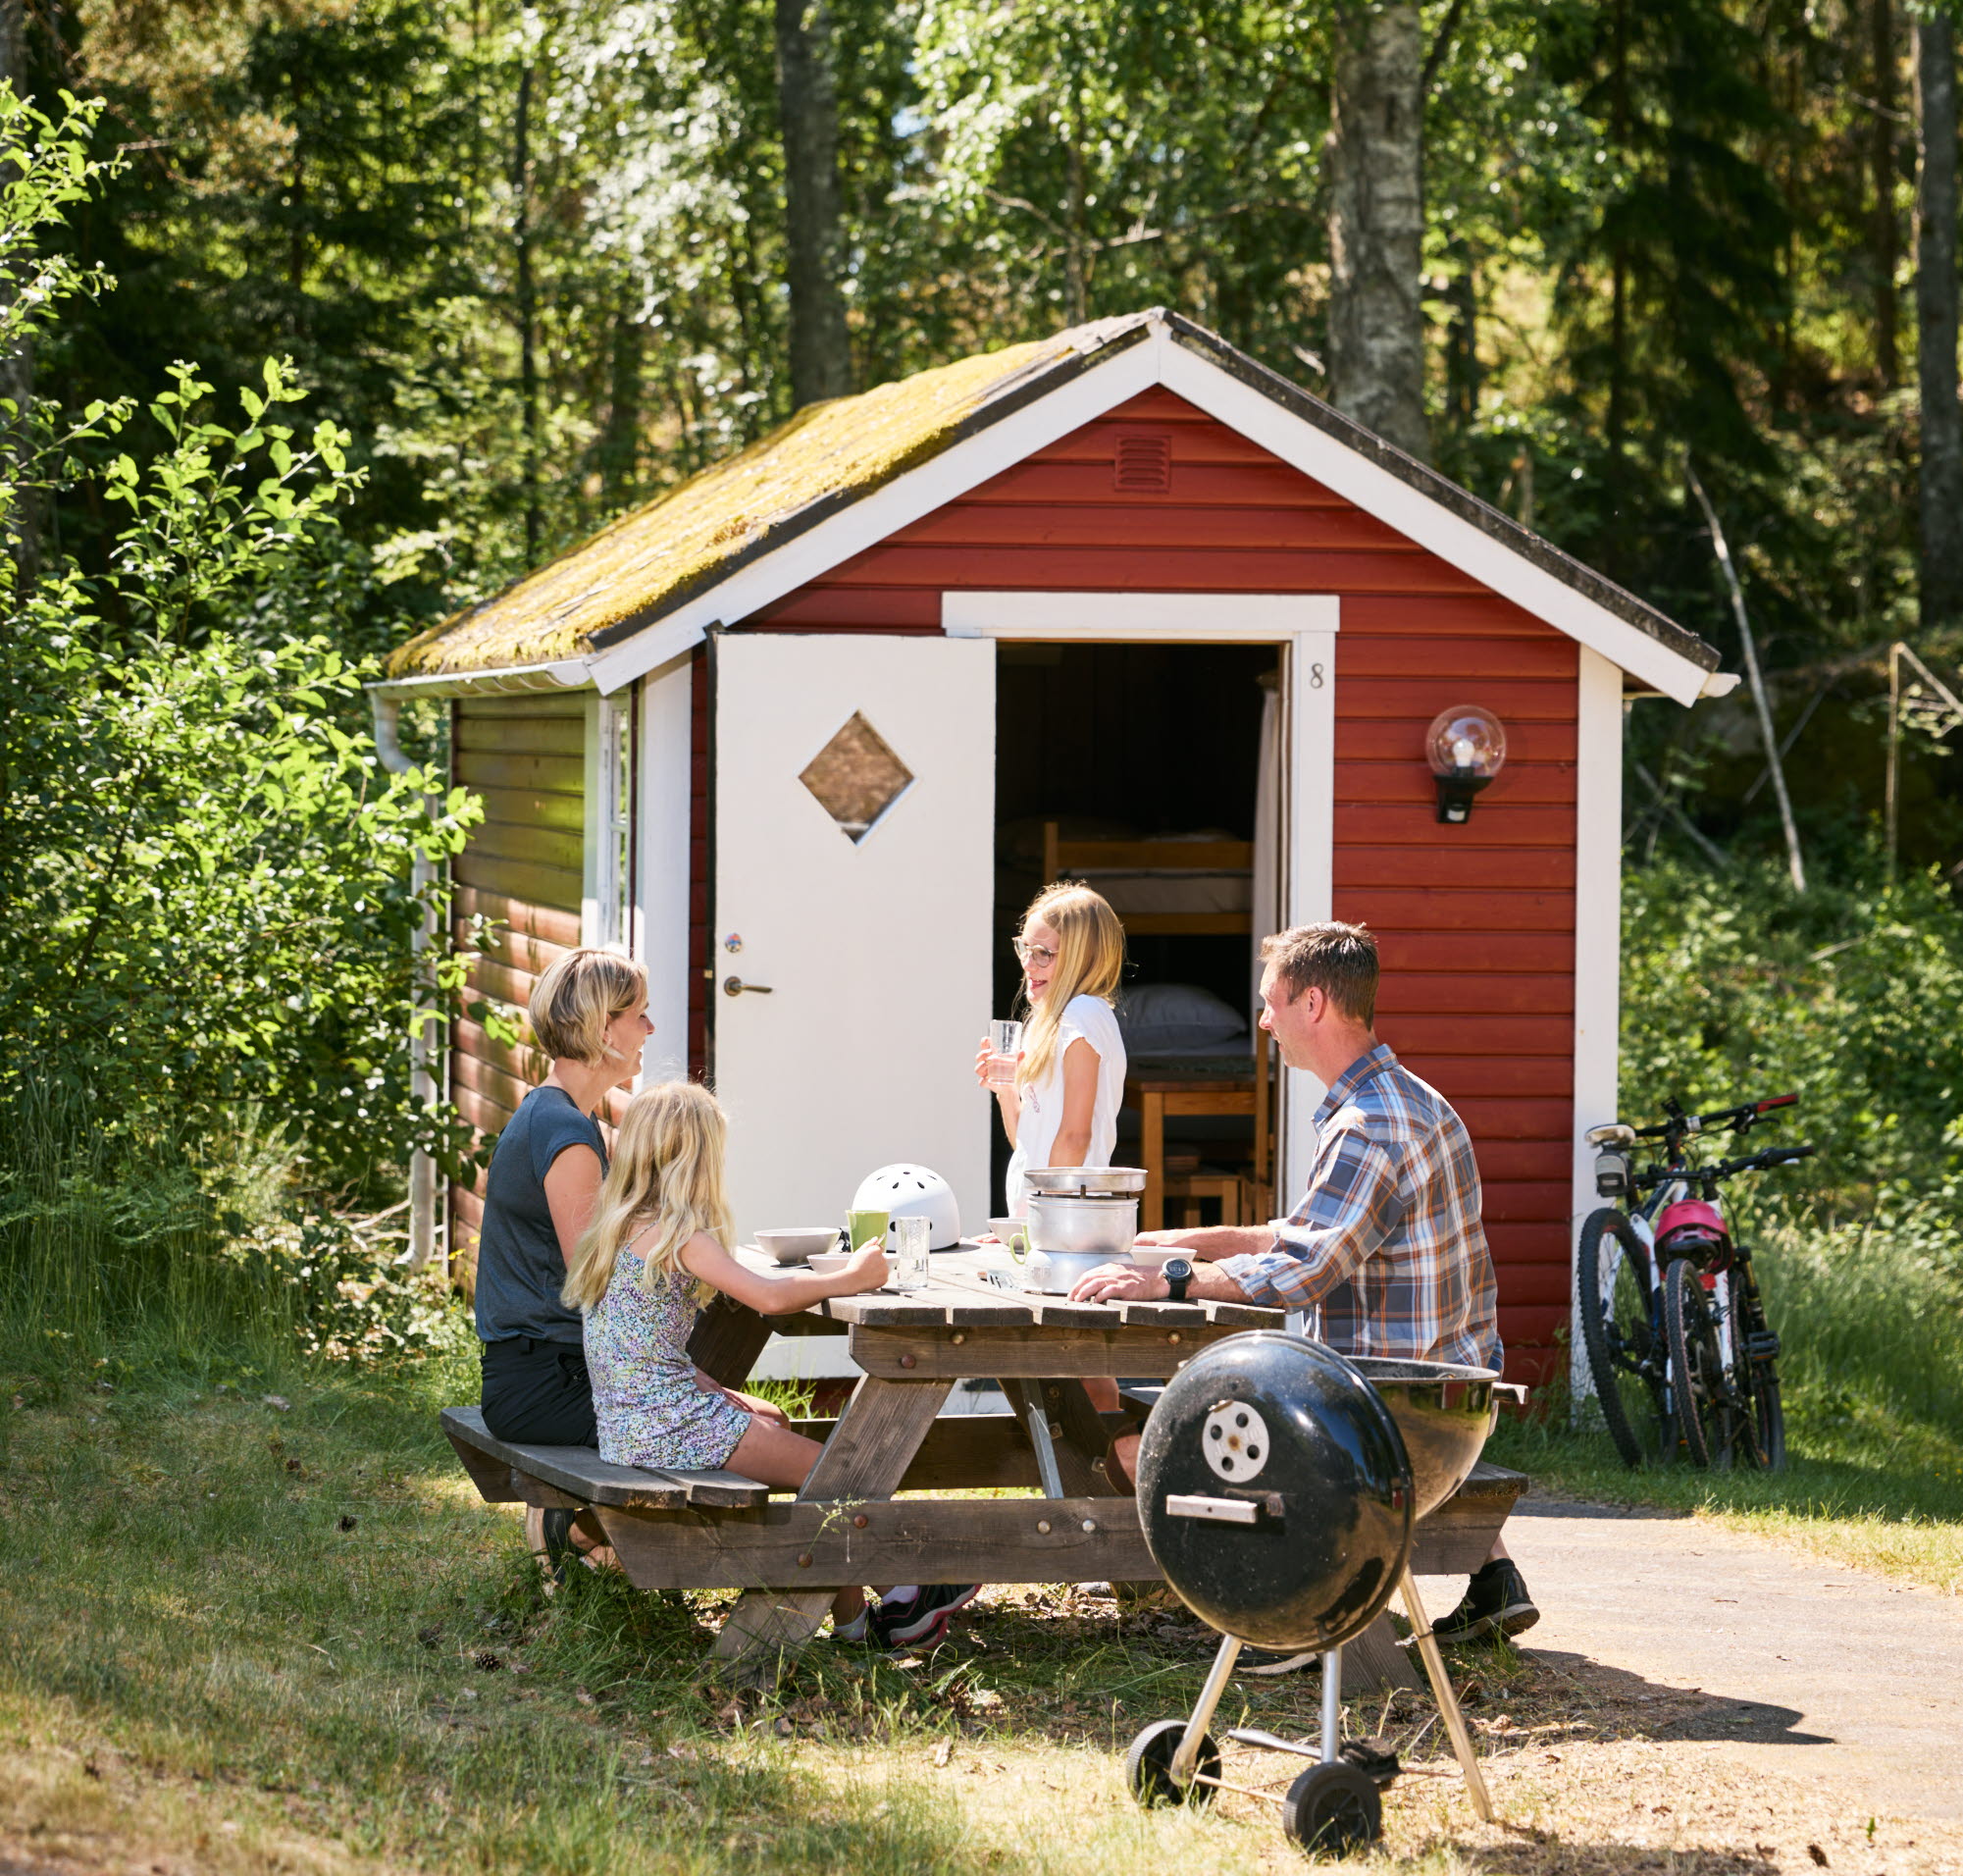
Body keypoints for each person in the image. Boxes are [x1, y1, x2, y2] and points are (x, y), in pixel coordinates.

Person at [1071, 920, 1538, 1650]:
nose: (1262, 1021)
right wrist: (1200, 1241)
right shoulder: (1407, 1099)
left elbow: (1303, 1272)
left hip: (1388, 1416)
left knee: (1171, 1428)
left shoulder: (1365, 1126)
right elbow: (1320, 1232)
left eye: (1270, 1003)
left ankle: (1288, 1622)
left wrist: (1168, 1279)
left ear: (1312, 1004)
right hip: (1448, 1393)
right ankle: (1493, 1577)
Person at [562, 1080, 984, 1648]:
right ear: (695, 1157)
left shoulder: (618, 1226)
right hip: (669, 1427)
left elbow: (634, 1341)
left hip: (633, 1425)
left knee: (782, 1427)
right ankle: (909, 1591)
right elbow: (769, 1297)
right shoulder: (678, 1234)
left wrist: (700, 1380)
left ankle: (855, 1623)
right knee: (839, 1476)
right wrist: (850, 1278)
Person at [474, 948, 649, 1577]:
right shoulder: (567, 1134)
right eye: (639, 1015)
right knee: (741, 1425)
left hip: (550, 1370)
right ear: (605, 1030)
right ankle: (574, 1529)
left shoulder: (568, 1118)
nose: (649, 1030)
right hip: (547, 1384)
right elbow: (594, 1279)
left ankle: (577, 1530)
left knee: (735, 1413)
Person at [977, 881, 1128, 1410]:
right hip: (1045, 1219)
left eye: (1044, 953)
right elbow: (1029, 1142)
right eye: (1026, 948)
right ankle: (1093, 1468)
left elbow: (1076, 1135)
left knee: (1081, 1361)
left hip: (1070, 1223)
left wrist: (1036, 1224)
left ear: (1083, 957)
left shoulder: (1084, 1015)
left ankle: (1115, 1466)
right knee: (1066, 1360)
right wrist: (1005, 1093)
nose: (1030, 963)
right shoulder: (1049, 1023)